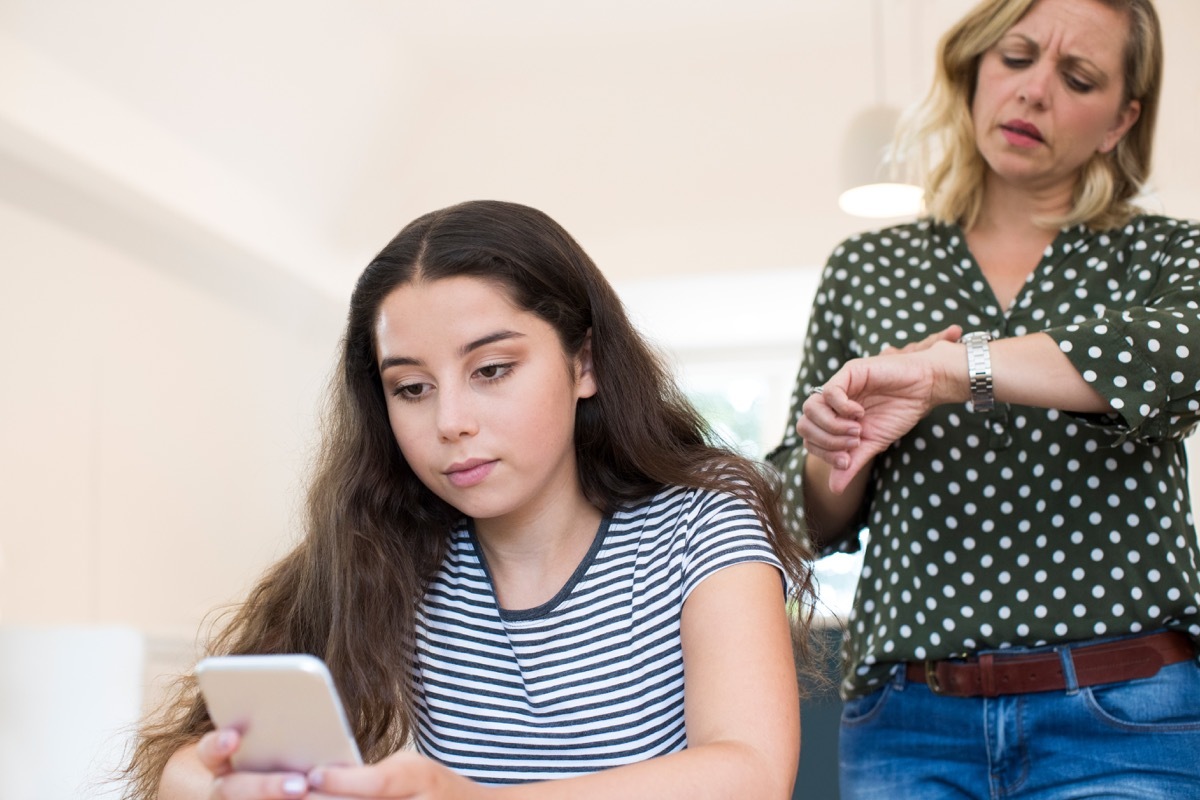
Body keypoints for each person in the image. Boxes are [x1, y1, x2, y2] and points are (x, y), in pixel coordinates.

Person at [122, 199, 816, 799]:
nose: (449, 420)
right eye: (412, 388)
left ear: (586, 363)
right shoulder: (381, 542)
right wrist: (207, 781)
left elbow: (751, 775)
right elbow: (184, 764)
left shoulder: (703, 521)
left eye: (490, 370)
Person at [767, 0, 1200, 796]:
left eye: (1077, 77)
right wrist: (840, 450)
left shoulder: (1164, 253)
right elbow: (799, 521)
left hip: (1123, 714)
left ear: (1119, 121)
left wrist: (949, 372)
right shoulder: (868, 268)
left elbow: (1182, 358)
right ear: (971, 72)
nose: (1035, 92)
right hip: (908, 723)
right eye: (1016, 58)